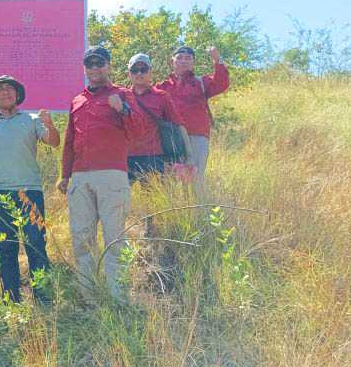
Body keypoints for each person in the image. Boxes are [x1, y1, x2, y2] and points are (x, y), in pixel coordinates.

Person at [57, 46, 146, 302]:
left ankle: (119, 298)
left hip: (112, 175)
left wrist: (123, 110)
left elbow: (140, 131)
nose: (94, 68)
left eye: (99, 63)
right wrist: (65, 174)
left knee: (114, 237)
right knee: (82, 238)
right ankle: (90, 296)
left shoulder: (123, 94)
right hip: (80, 177)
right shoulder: (77, 100)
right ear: (85, 68)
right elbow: (69, 141)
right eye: (90, 64)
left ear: (108, 65)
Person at [0, 75, 60, 304]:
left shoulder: (33, 120)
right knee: (6, 248)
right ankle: (11, 300)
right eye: (1, 90)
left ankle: (43, 298)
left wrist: (51, 125)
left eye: (10, 89)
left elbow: (54, 142)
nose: (6, 92)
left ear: (17, 94)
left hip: (29, 192)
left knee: (36, 244)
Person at [156, 46, 229, 180]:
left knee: (194, 178)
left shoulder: (201, 82)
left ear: (193, 63)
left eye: (188, 58)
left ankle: (196, 201)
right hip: (170, 139)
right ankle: (175, 202)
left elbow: (222, 83)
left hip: (197, 136)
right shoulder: (162, 87)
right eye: (179, 58)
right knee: (170, 179)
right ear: (172, 61)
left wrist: (217, 60)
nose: (184, 61)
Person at [125, 53, 191, 182]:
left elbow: (179, 124)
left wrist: (189, 155)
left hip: (155, 158)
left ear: (150, 73)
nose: (139, 74)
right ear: (129, 74)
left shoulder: (162, 96)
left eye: (143, 70)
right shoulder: (122, 96)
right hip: (127, 158)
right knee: (123, 200)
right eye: (134, 70)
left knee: (155, 200)